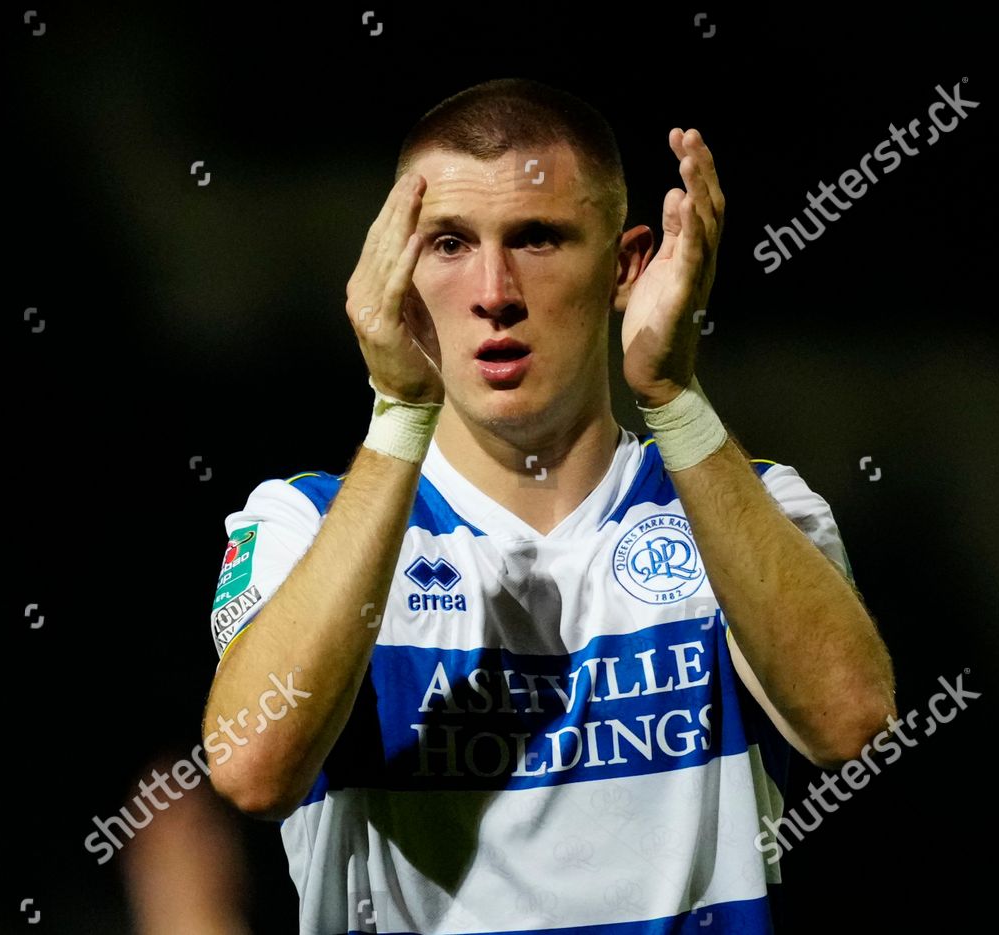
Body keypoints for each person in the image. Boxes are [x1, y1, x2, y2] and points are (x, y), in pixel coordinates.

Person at [201, 77, 896, 933]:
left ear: (626, 267)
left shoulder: (752, 508)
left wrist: (674, 396)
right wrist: (399, 414)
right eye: (449, 243)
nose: (495, 288)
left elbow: (850, 722)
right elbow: (253, 771)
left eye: (537, 238)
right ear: (396, 274)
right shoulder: (300, 526)